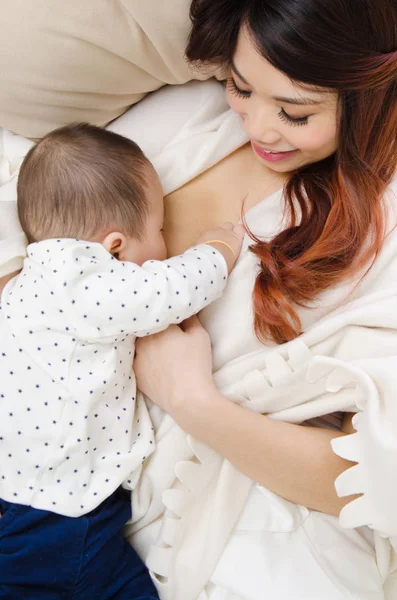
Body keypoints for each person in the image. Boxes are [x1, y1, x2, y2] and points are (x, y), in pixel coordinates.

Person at [129, 0, 397, 598]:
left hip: (246, 518)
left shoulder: (380, 228)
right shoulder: (193, 117)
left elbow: (371, 479)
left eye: (296, 113)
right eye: (241, 86)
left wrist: (191, 400)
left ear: (368, 100)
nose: (258, 129)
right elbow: (32, 186)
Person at [0, 123, 243, 599]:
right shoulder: (85, 285)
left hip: (25, 501)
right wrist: (219, 249)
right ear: (114, 247)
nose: (165, 244)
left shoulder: (21, 290)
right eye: (158, 230)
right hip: (60, 513)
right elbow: (170, 290)